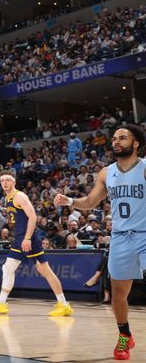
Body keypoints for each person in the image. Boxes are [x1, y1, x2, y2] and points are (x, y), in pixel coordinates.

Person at [55, 125, 145, 360]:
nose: (116, 141)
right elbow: (90, 203)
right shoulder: (106, 173)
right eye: (114, 138)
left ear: (135, 143)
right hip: (120, 238)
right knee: (118, 294)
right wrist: (70, 201)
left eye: (123, 138)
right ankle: (125, 335)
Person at [0, 170, 73, 317]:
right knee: (8, 268)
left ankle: (63, 304)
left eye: (8, 180)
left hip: (28, 238)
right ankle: (1, 303)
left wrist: (27, 238)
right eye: (2, 180)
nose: (4, 182)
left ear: (14, 182)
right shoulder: (6, 198)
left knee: (45, 271)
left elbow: (33, 217)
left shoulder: (19, 196)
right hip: (20, 237)